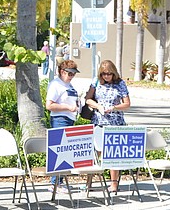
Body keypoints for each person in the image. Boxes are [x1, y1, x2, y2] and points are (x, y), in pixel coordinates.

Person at [84, 60, 131, 194]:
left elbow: (127, 104)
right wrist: (98, 106)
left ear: (113, 73)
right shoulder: (96, 81)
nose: (106, 76)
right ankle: (89, 183)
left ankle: (114, 183)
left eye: (109, 74)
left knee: (112, 154)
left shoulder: (120, 84)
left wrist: (114, 107)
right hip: (98, 121)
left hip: (115, 122)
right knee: (95, 152)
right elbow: (88, 99)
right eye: (104, 74)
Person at [45, 59, 80, 193]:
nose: (72, 76)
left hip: (69, 119)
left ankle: (59, 181)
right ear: (62, 72)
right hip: (60, 119)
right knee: (59, 150)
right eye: (70, 74)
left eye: (74, 74)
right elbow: (49, 105)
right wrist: (67, 107)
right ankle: (55, 183)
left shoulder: (68, 85)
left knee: (65, 151)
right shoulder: (56, 84)